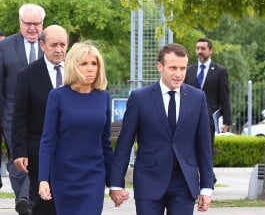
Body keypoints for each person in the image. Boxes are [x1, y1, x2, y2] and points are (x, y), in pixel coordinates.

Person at [110, 43, 214, 215]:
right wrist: (116, 184)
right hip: (148, 181)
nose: (179, 74)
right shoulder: (140, 98)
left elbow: (204, 146)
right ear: (160, 66)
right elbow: (124, 144)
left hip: (184, 183)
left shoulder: (198, 98)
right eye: (173, 68)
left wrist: (206, 188)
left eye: (183, 68)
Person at [38, 41, 114, 215]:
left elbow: (106, 143)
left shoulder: (104, 97)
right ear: (73, 65)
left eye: (94, 63)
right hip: (64, 176)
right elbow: (47, 141)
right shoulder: (57, 96)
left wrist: (114, 183)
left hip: (94, 175)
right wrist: (43, 179)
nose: (90, 68)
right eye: (84, 63)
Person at [12, 25, 69, 215]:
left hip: (72, 152)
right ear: (42, 45)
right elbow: (19, 116)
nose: (59, 49)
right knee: (44, 205)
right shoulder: (27, 75)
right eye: (54, 45)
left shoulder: (76, 72)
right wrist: (19, 151)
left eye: (63, 44)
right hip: (39, 153)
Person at [0, 3, 46, 215]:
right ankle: (24, 199)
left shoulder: (50, 45)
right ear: (20, 23)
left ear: (42, 24)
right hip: (11, 114)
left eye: (36, 24)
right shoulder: (5, 47)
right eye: (28, 23)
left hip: (43, 116)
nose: (32, 28)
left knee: (37, 156)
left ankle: (28, 199)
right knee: (17, 156)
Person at [184, 37, 231, 183]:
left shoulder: (220, 71)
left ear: (210, 51)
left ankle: (208, 178)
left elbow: (224, 96)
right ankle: (200, 176)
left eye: (203, 48)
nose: (199, 51)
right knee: (189, 147)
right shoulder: (189, 70)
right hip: (189, 117)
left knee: (206, 148)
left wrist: (227, 120)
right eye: (197, 48)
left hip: (209, 118)